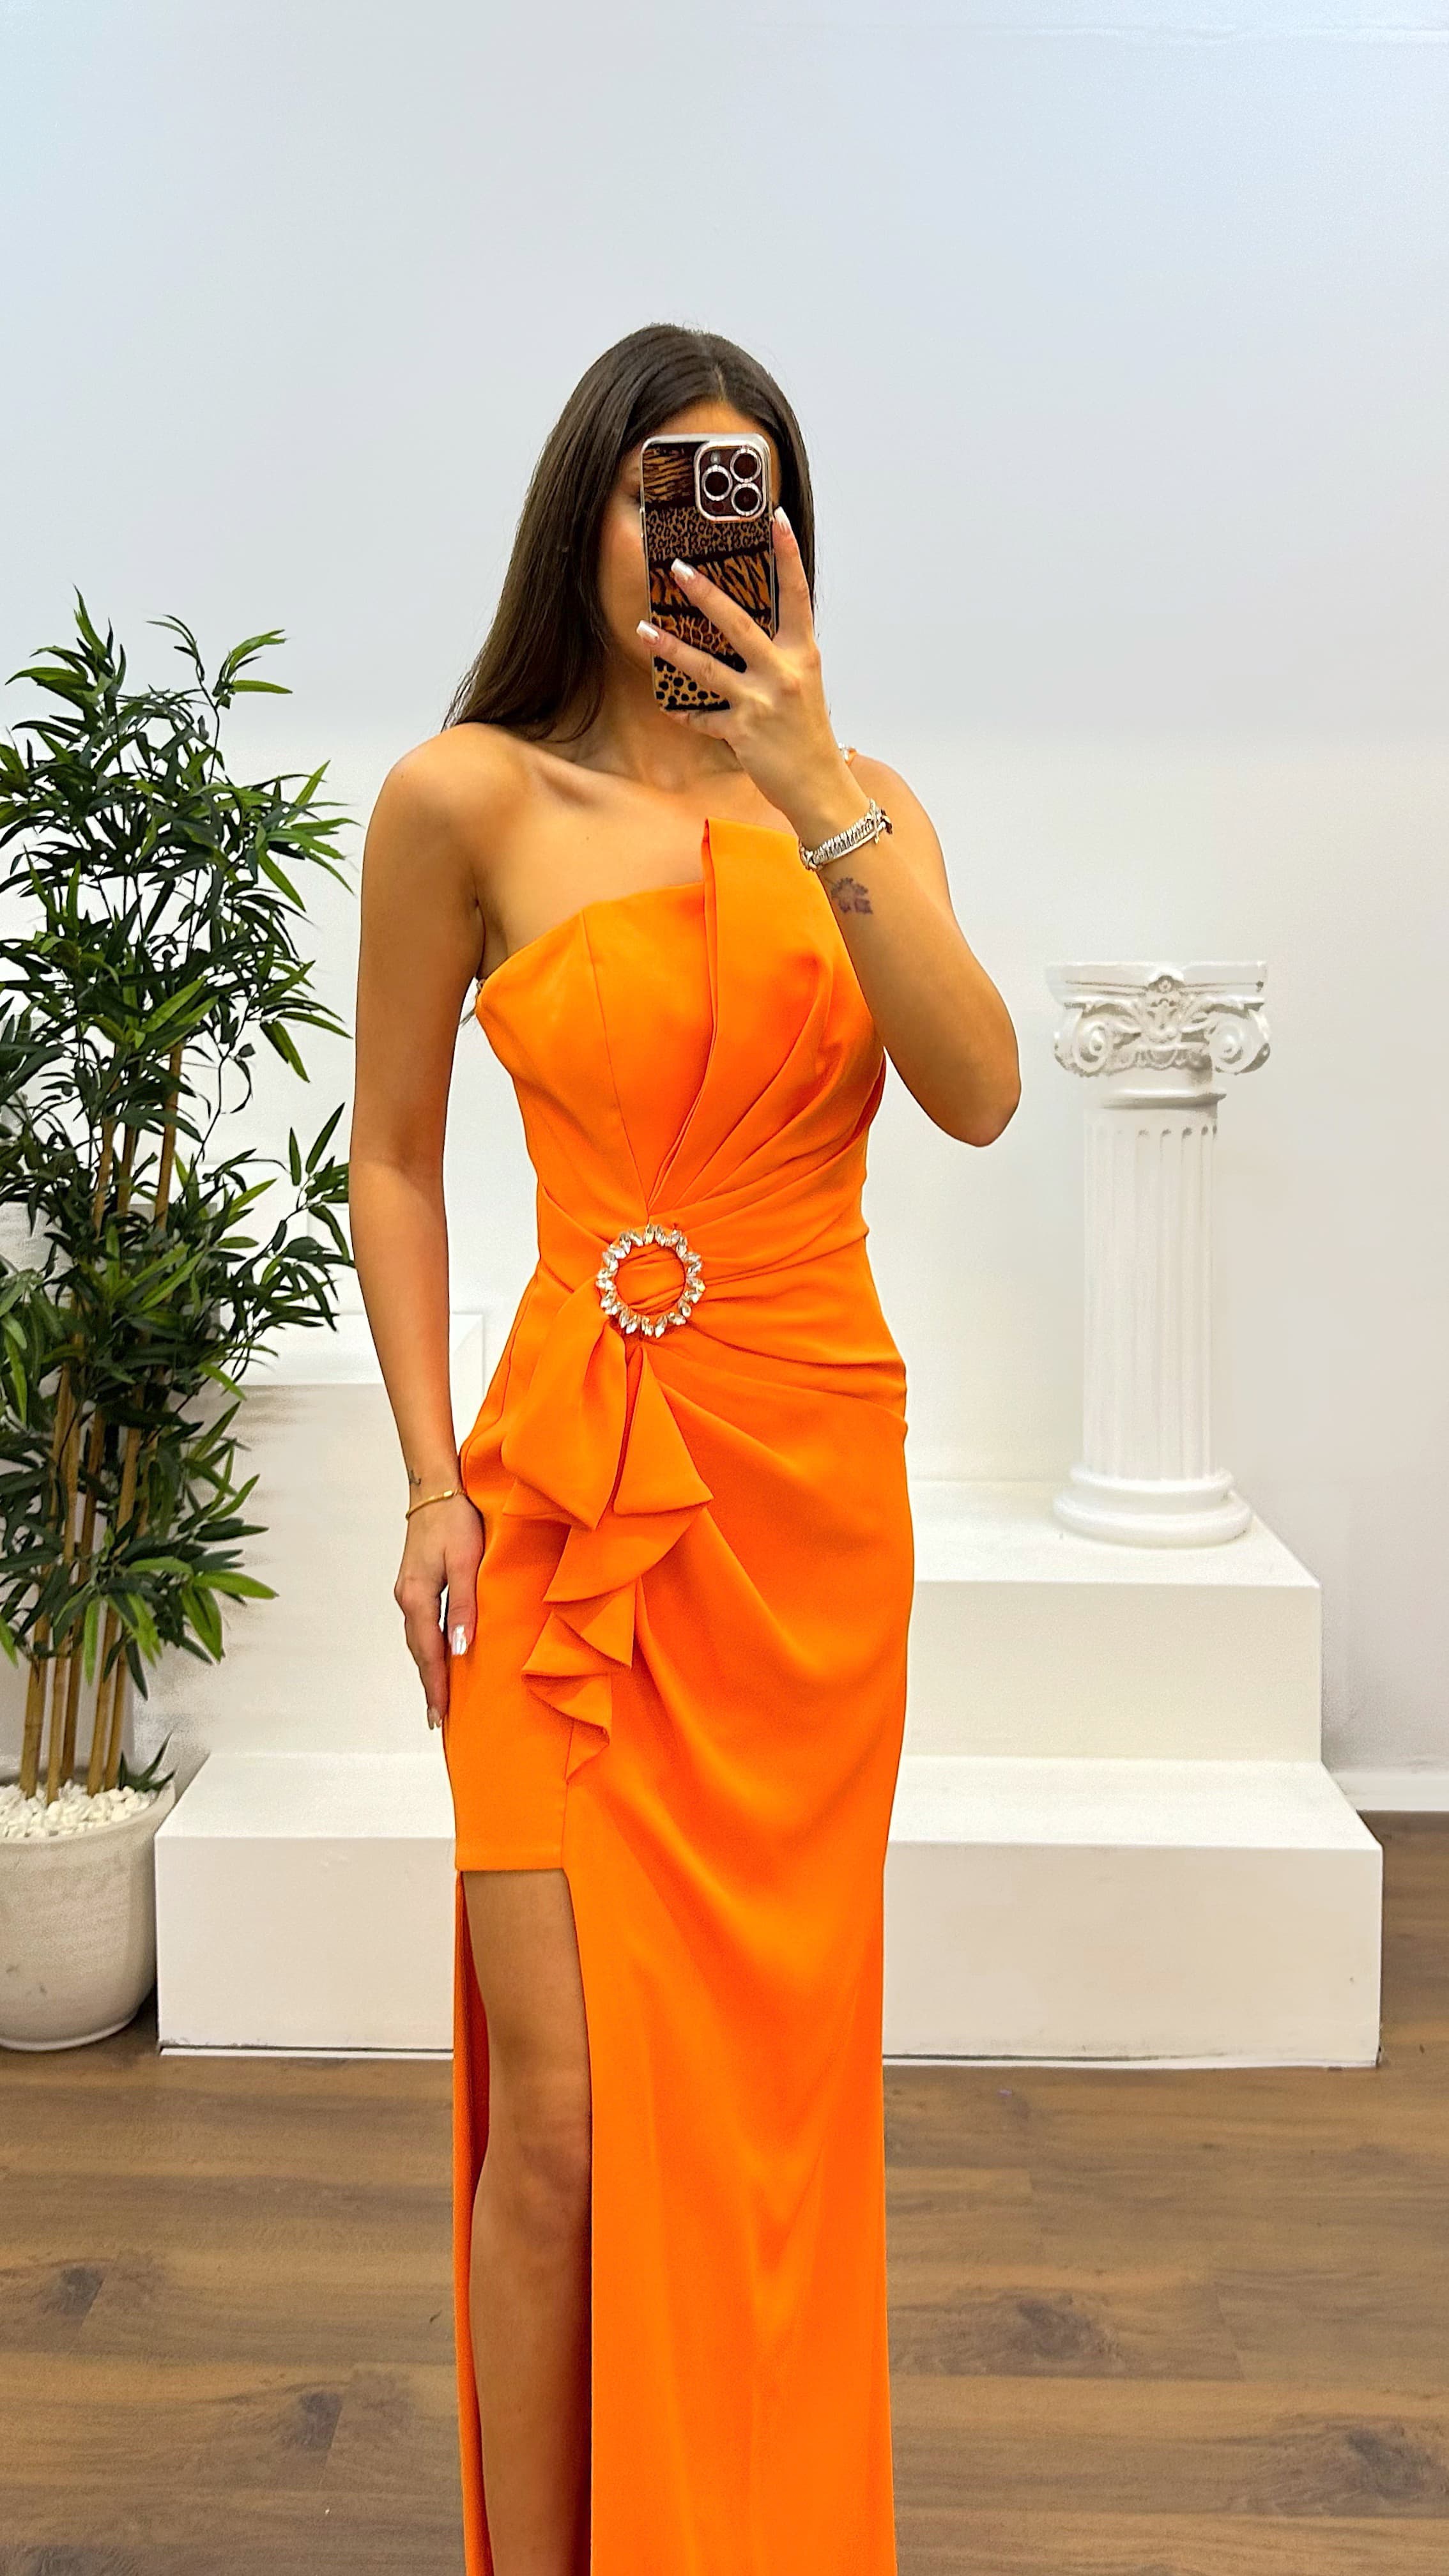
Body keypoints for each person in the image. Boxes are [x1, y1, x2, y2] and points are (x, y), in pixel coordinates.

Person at [348, 322, 1020, 2576]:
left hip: (806, 1510)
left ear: (791, 540)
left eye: (746, 494)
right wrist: (429, 1481)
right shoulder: (466, 801)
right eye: (665, 489)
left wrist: (813, 780)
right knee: (553, 2126)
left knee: (767, 2112)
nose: (702, 534)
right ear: (589, 517)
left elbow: (977, 1090)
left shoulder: (865, 801)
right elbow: (395, 1158)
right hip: (565, 1504)